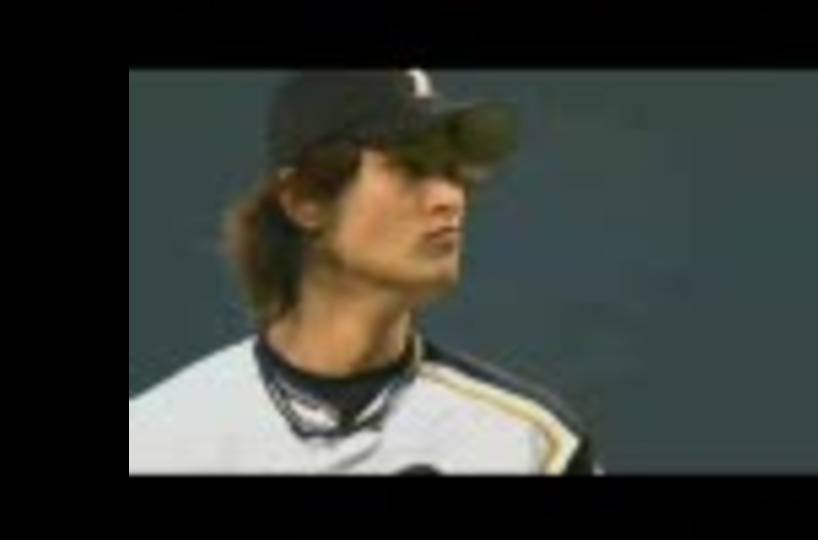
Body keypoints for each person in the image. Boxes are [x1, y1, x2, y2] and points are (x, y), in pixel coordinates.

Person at [128, 69, 601, 475]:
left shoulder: (530, 445)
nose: (450, 197)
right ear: (305, 199)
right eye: (412, 166)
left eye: (452, 170)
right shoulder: (155, 441)